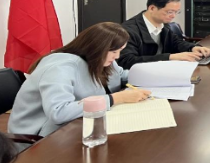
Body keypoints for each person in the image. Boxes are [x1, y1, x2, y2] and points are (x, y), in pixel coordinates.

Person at [8, 22, 151, 137]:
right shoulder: (60, 67)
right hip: (40, 136)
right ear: (97, 48)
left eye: (120, 51)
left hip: (76, 125)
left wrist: (153, 76)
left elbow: (121, 75)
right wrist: (116, 98)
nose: (117, 57)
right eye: (114, 51)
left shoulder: (102, 60)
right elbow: (58, 112)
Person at [118, 0, 210, 69]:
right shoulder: (128, 30)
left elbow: (176, 43)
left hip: (161, 71)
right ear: (152, 8)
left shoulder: (164, 25)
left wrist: (193, 48)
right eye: (170, 12)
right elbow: (126, 61)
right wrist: (170, 57)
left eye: (176, 12)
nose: (173, 16)